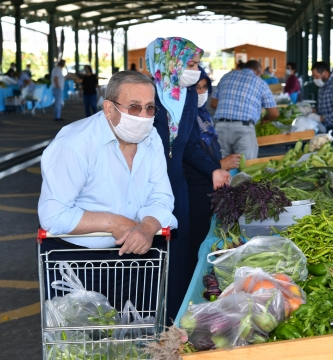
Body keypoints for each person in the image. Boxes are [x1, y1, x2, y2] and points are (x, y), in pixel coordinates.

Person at [37, 70, 176, 310]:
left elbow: (161, 196)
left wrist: (147, 226)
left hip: (138, 258)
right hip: (79, 265)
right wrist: (113, 223)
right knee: (82, 344)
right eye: (134, 107)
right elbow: (53, 215)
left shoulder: (151, 137)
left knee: (136, 338)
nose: (143, 116)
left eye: (150, 108)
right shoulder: (75, 144)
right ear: (109, 109)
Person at [147, 37, 231, 326]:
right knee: (149, 252)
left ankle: (174, 319)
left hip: (177, 186)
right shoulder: (146, 96)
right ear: (170, 63)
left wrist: (213, 170)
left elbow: (192, 145)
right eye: (190, 64)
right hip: (146, 185)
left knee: (178, 253)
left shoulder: (189, 97)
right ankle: (146, 315)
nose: (195, 71)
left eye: (196, 65)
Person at [184, 66, 241, 259]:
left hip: (207, 185)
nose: (201, 93)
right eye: (195, 88)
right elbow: (187, 155)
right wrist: (219, 164)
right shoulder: (185, 118)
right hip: (194, 189)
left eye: (204, 87)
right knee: (197, 238)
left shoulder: (203, 116)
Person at [211, 60, 278, 159]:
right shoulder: (259, 82)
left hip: (221, 127)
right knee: (245, 168)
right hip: (244, 128)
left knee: (221, 166)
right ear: (258, 72)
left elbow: (213, 103)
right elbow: (274, 113)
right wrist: (265, 119)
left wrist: (231, 108)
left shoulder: (226, 77)